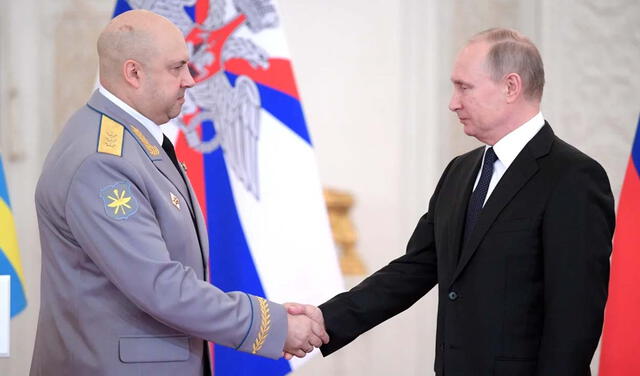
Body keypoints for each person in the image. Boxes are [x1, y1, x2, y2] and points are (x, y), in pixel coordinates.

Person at [289, 28, 615, 375]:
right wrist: (325, 319)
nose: (453, 102)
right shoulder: (460, 171)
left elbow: (574, 319)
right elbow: (413, 269)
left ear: (510, 87)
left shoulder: (573, 177)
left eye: (464, 87)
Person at [30, 10, 324, 376]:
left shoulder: (130, 141)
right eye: (177, 68)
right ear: (133, 73)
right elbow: (161, 286)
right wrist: (273, 325)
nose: (190, 80)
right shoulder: (103, 162)